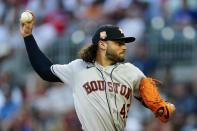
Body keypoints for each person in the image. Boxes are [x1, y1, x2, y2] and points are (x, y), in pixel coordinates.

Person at [20, 10, 175, 131]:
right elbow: (45, 70)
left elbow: (152, 101)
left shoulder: (131, 71)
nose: (124, 47)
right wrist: (28, 37)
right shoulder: (79, 68)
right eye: (118, 43)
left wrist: (162, 107)